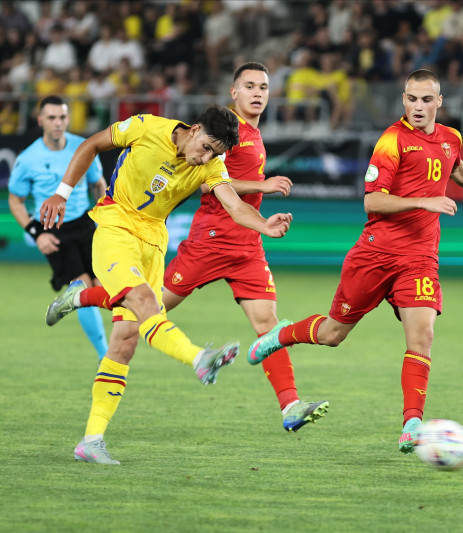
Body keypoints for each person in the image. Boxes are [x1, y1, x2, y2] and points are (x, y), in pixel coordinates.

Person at [48, 62, 329, 433]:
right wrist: (262, 186)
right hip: (208, 241)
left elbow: (223, 187)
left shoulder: (242, 138)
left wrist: (263, 225)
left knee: (267, 323)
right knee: (145, 309)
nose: (257, 93)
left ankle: (290, 405)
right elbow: (208, 184)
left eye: (263, 87)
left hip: (242, 245)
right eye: (249, 86)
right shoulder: (214, 129)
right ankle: (83, 297)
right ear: (234, 92)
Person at [248, 69, 463, 453]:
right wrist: (424, 202)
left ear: (439, 102)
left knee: (423, 335)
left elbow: (455, 166)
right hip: (376, 254)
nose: (418, 106)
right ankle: (280, 336)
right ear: (404, 100)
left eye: (426, 100)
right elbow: (372, 201)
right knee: (333, 334)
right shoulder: (392, 140)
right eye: (412, 99)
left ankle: (412, 424)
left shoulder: (450, 137)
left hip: (420, 258)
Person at [8, 95, 108, 360]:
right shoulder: (28, 158)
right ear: (40, 120)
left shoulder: (83, 147)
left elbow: (98, 184)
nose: (57, 123)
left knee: (104, 286)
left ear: (68, 119)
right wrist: (37, 234)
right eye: (51, 117)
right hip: (53, 229)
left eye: (62, 117)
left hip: (85, 223)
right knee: (82, 287)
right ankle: (106, 356)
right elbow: (15, 200)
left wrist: (106, 219)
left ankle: (117, 344)